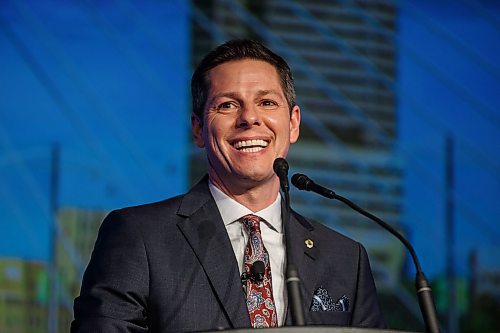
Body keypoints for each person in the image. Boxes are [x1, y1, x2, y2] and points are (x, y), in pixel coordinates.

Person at [71, 39, 385, 332]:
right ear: (198, 129)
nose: (250, 118)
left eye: (266, 102)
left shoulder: (346, 259)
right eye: (227, 105)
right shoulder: (138, 236)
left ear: (293, 124)